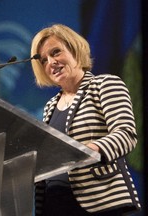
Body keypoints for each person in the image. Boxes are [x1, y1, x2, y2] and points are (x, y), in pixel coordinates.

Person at [30, 24, 141, 215]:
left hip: (97, 200)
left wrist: (87, 150)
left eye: (56, 52)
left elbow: (126, 135)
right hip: (54, 204)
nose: (51, 62)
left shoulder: (104, 84)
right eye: (43, 60)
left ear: (74, 48)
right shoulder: (49, 106)